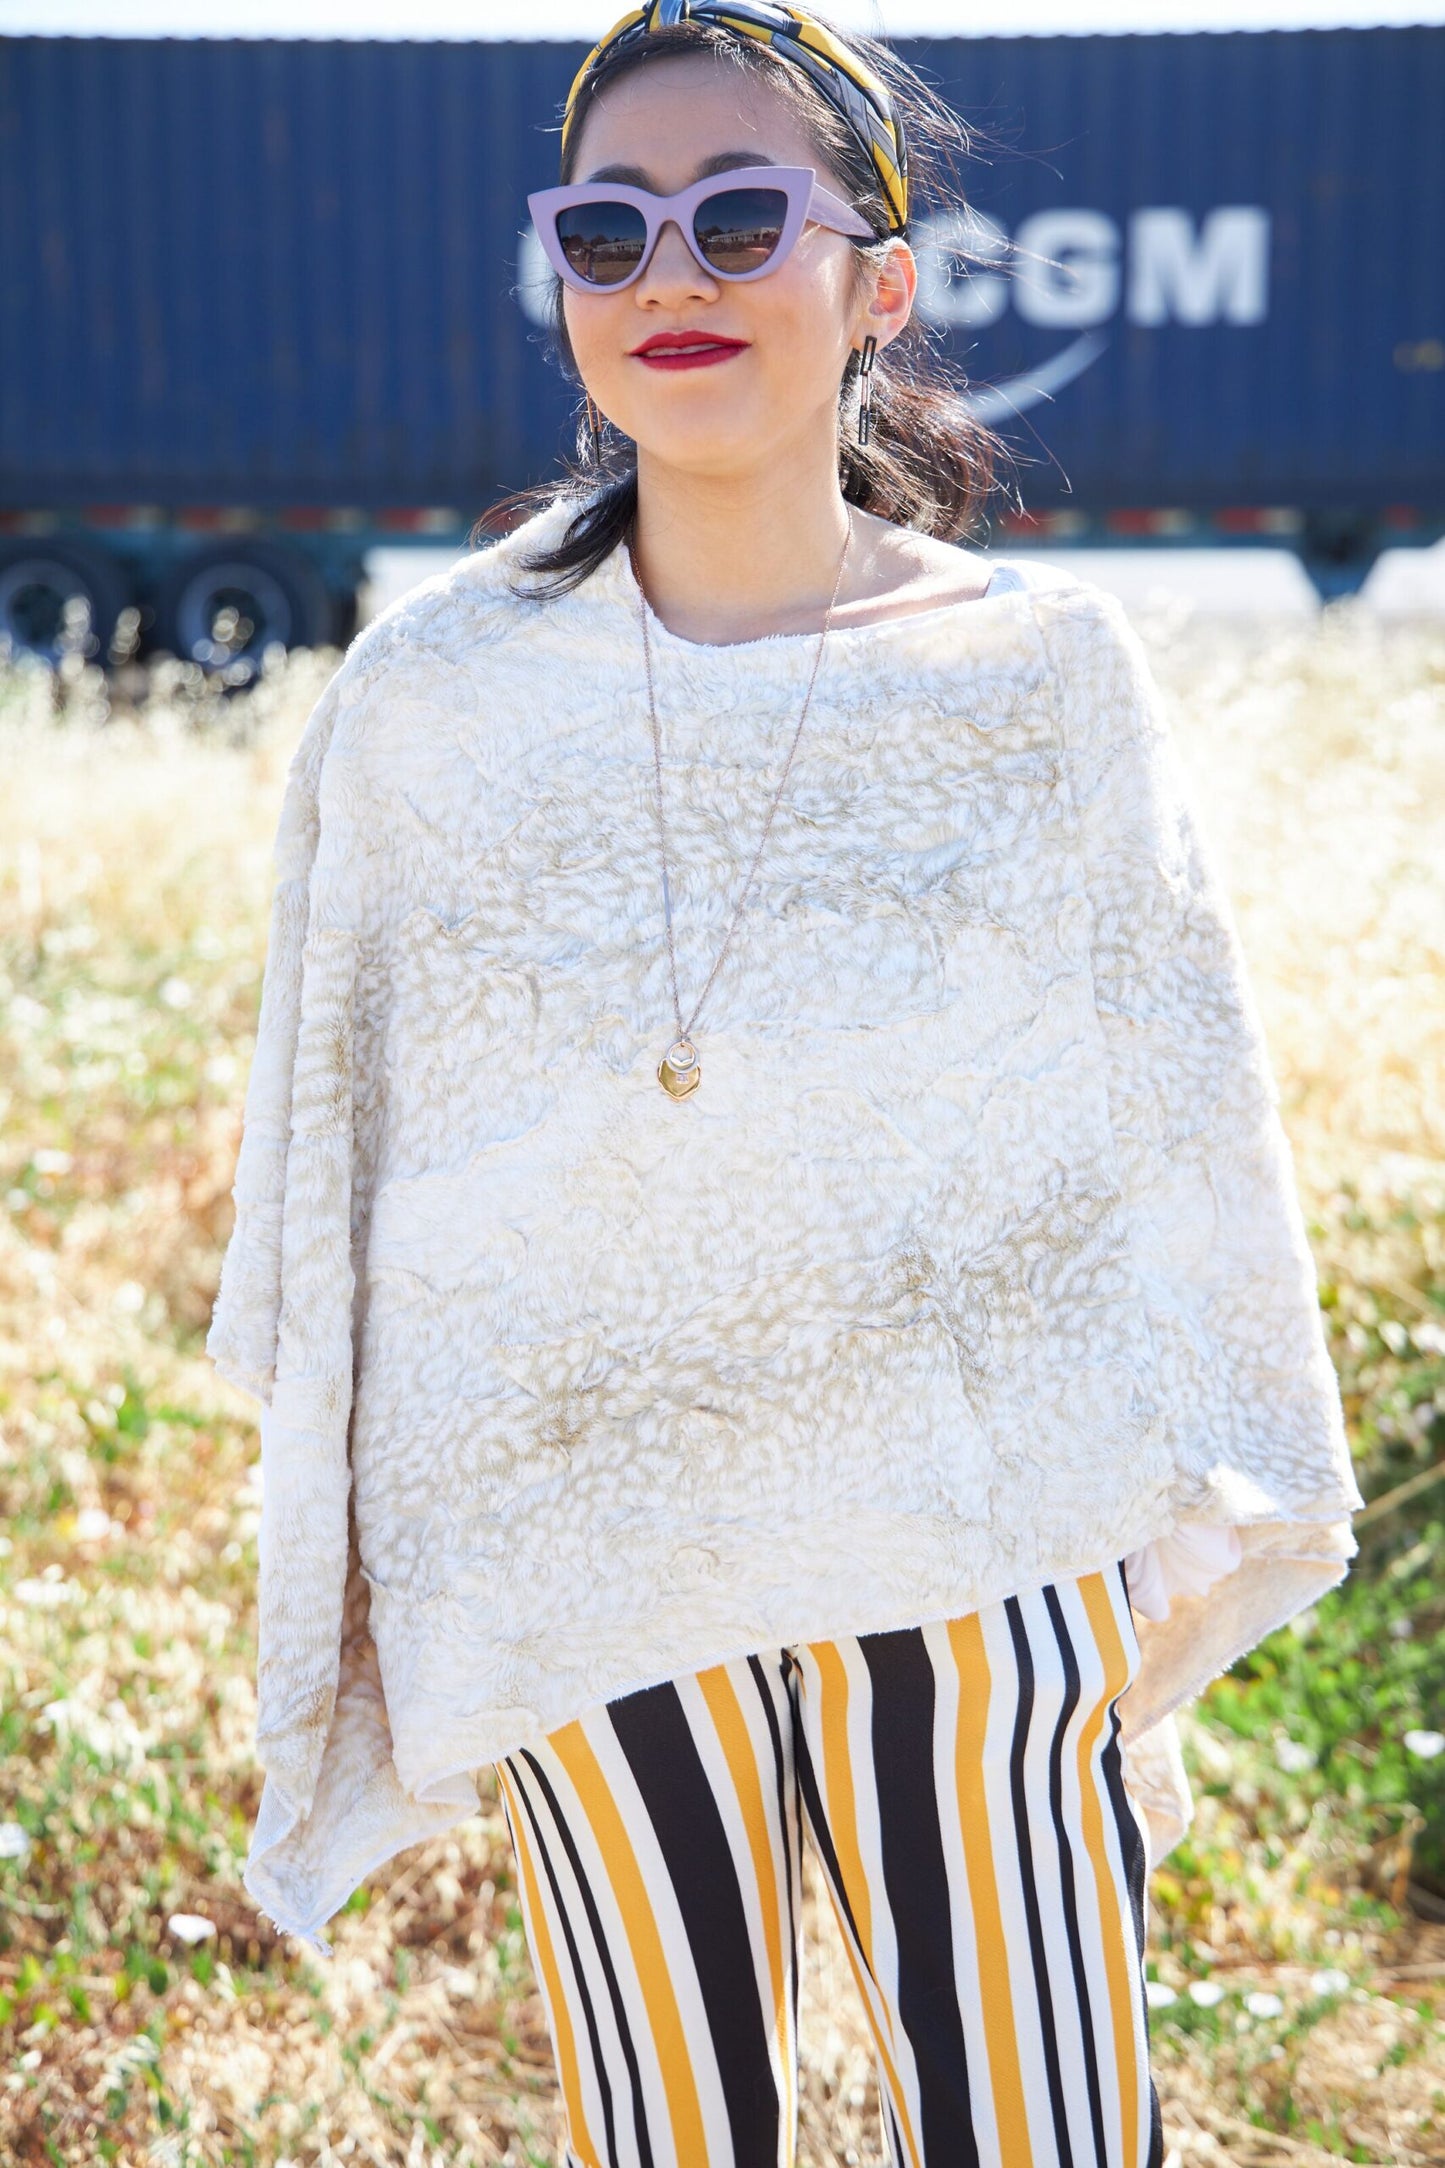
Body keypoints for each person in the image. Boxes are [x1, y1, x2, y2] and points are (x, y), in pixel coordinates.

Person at [205, 5, 1364, 2163]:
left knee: (1042, 2134)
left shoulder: (1041, 685)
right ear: (556, 278)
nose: (675, 276)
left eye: (746, 218)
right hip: (590, 1577)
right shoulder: (431, 708)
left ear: (878, 284)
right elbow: (356, 1179)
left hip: (977, 1565)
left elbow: (1183, 1135)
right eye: (609, 228)